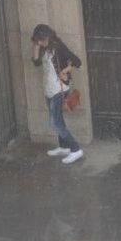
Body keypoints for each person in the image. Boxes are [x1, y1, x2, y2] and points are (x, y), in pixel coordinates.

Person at [31, 24, 84, 164]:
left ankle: (75, 149)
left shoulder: (58, 47)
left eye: (40, 40)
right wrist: (36, 47)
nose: (39, 42)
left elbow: (77, 61)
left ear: (47, 37)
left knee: (55, 123)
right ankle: (64, 147)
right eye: (37, 40)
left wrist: (65, 71)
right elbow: (36, 63)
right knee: (58, 119)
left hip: (58, 90)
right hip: (48, 89)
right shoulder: (43, 47)